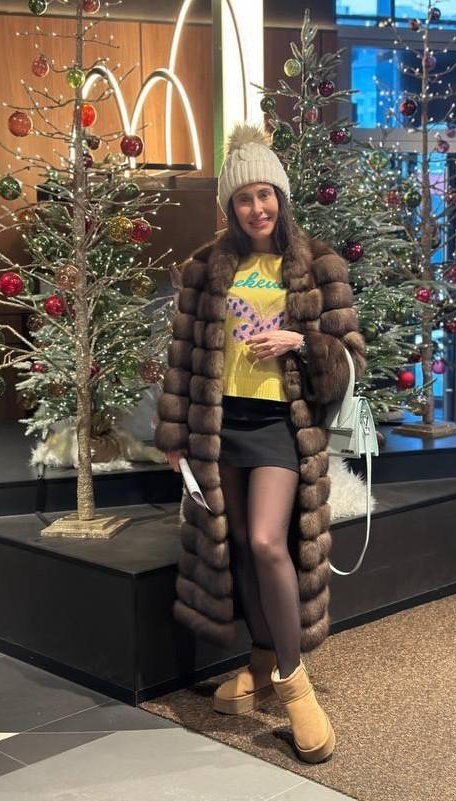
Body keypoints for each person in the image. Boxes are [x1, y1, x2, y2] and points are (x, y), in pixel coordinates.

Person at [155, 123, 366, 764]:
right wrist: (175, 436)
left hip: (281, 425)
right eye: (244, 198)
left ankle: (295, 684)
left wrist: (301, 342)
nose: (256, 208)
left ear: (281, 197)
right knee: (241, 546)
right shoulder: (204, 268)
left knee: (271, 542)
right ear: (230, 205)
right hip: (220, 426)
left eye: (265, 194)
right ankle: (261, 655)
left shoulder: (319, 265)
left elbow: (351, 357)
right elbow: (182, 357)